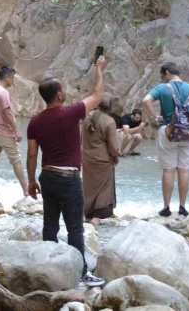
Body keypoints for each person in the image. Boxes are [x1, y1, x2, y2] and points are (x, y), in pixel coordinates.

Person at [26, 55, 109, 287]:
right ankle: (81, 273)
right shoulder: (70, 112)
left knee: (50, 225)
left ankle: (47, 268)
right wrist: (99, 70)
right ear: (60, 95)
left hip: (48, 175)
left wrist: (31, 181)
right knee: (75, 228)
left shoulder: (35, 122)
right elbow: (98, 96)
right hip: (69, 178)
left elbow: (32, 155)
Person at [142, 62, 189, 217]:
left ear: (167, 73)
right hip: (188, 132)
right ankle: (182, 207)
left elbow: (146, 100)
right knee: (184, 170)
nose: (163, 80)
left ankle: (166, 208)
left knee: (169, 170)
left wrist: (154, 116)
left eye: (163, 76)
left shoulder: (162, 88)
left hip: (168, 130)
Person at [0, 66, 28, 198]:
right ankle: (26, 190)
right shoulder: (2, 93)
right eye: (12, 78)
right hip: (5, 133)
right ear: (7, 77)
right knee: (16, 160)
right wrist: (16, 131)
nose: (12, 81)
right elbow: (7, 112)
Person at [82, 95, 119, 226]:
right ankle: (97, 217)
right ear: (110, 106)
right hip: (103, 160)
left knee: (89, 186)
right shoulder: (109, 121)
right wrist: (116, 157)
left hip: (87, 158)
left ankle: (88, 215)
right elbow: (113, 147)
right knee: (104, 187)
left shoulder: (87, 117)